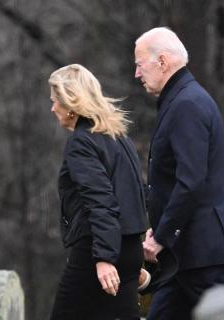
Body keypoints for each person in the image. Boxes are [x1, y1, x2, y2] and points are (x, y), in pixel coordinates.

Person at [134, 27, 224, 319]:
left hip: (199, 250)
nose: (136, 74)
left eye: (139, 64)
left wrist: (161, 235)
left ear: (162, 62)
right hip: (186, 251)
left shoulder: (187, 104)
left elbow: (191, 181)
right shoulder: (182, 99)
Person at [48, 64, 149, 320]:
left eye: (54, 101)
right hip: (129, 249)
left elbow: (100, 201)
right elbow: (137, 195)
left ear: (70, 102)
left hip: (98, 251)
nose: (52, 109)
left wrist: (103, 258)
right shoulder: (118, 137)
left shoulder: (82, 142)